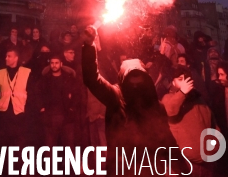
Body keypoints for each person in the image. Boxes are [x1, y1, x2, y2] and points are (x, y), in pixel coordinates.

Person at [82, 26, 179, 176]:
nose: (135, 86)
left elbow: (168, 140)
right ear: (123, 79)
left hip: (151, 167)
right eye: (130, 81)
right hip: (123, 168)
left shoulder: (155, 105)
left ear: (145, 80)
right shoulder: (115, 97)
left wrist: (183, 169)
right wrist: (89, 47)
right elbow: (92, 79)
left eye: (138, 81)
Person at [161, 65, 217, 176]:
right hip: (187, 162)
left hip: (208, 160)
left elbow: (212, 121)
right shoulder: (168, 98)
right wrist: (182, 93)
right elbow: (170, 110)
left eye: (186, 79)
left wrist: (216, 146)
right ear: (173, 82)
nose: (184, 82)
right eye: (180, 79)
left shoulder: (198, 98)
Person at [0, 47, 35, 148]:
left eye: (9, 56)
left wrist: (28, 111)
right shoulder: (0, 72)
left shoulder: (27, 72)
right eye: (6, 56)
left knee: (19, 143)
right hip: (4, 113)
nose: (6, 58)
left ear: (16, 58)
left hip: (20, 112)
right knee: (4, 143)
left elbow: (32, 94)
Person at [38, 52, 78, 147]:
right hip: (50, 118)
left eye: (56, 63)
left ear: (61, 64)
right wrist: (42, 109)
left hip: (67, 117)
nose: (54, 65)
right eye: (52, 63)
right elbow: (38, 95)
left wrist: (72, 109)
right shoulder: (45, 80)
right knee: (49, 147)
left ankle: (70, 162)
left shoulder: (68, 78)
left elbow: (76, 95)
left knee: (69, 146)